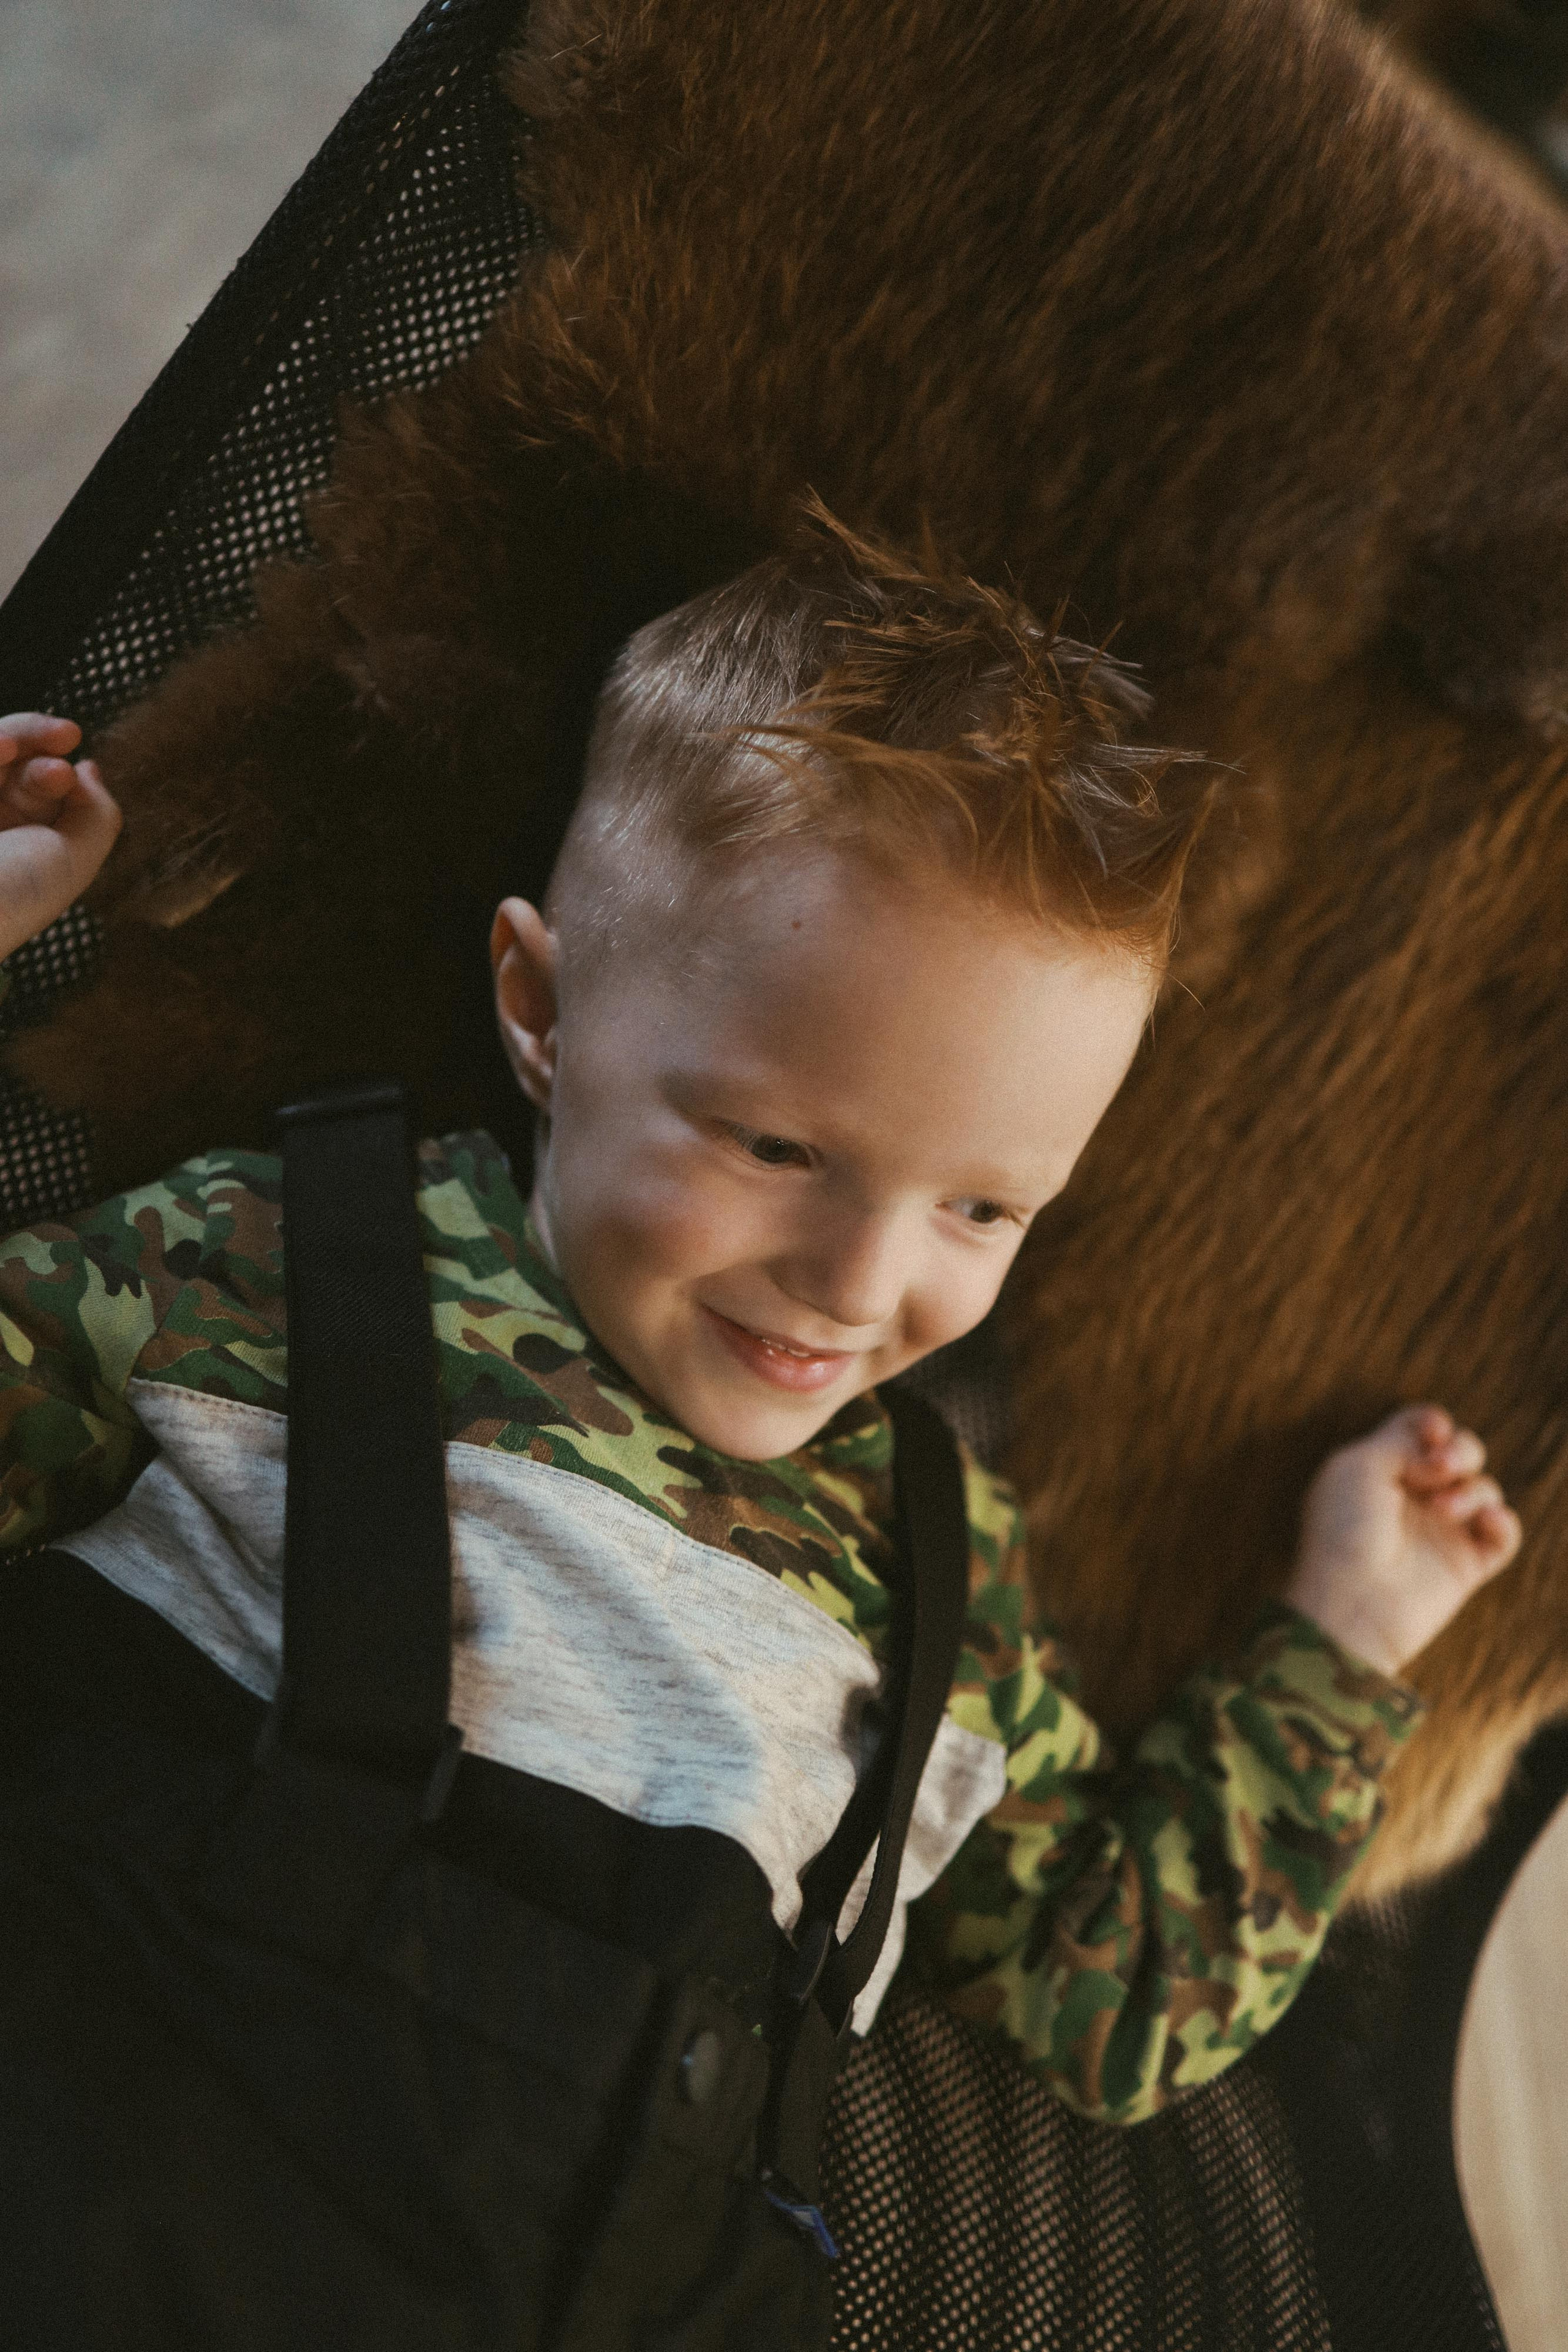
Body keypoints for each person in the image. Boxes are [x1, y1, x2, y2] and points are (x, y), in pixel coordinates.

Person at [0, 508, 1521, 2127]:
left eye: (982, 1209)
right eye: (777, 1148)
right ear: (543, 1010)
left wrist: (1339, 1645)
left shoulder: (936, 1559)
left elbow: (1114, 2003)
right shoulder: (261, 1257)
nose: (861, 1287)